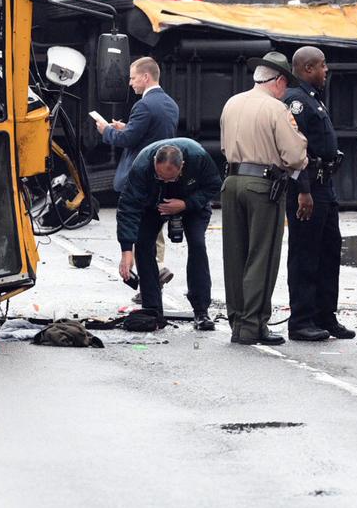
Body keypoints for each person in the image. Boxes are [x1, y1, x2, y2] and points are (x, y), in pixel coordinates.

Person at [220, 51, 309, 346]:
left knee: (235, 256)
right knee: (262, 256)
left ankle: (237, 322)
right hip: (263, 185)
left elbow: (223, 146)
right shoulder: (276, 109)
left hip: (231, 181)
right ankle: (252, 325)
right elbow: (295, 156)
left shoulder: (232, 103)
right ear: (279, 81)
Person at [283, 46, 353, 341]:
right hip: (308, 187)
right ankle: (301, 320)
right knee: (305, 254)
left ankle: (326, 315)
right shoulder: (295, 102)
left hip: (324, 185)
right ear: (308, 69)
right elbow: (295, 151)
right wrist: (304, 191)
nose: (327, 71)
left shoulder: (312, 100)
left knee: (328, 251)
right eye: (323, 66)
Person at [116, 138, 222, 330]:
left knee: (197, 244)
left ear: (182, 166)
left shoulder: (198, 157)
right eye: (160, 177)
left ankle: (201, 311)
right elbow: (128, 206)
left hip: (191, 201)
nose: (165, 181)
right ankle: (152, 309)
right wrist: (126, 250)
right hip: (154, 204)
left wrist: (186, 204)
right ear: (154, 162)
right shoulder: (142, 164)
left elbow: (214, 185)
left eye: (170, 178)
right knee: (143, 243)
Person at [97, 56, 178, 296]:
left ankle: (152, 275)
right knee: (155, 228)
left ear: (145, 77)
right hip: (161, 177)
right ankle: (155, 275)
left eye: (133, 78)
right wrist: (127, 127)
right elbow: (150, 135)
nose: (130, 83)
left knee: (140, 232)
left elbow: (128, 141)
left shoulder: (143, 105)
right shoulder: (170, 104)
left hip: (140, 176)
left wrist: (107, 131)